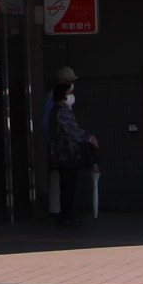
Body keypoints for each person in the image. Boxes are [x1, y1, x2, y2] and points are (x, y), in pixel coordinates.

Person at [47, 70, 98, 228]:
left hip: (61, 154)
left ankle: (66, 214)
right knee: (68, 186)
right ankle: (67, 215)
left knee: (66, 185)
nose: (71, 94)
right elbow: (72, 130)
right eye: (69, 92)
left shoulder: (56, 110)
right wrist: (88, 137)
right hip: (67, 154)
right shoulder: (62, 110)